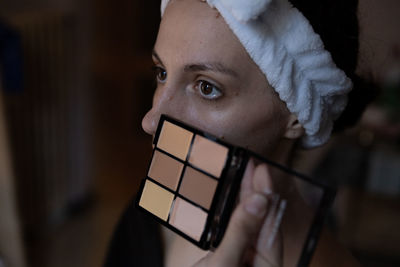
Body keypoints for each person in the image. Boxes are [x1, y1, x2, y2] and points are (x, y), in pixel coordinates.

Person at [105, 0, 373, 266]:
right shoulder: (160, 204)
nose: (150, 121)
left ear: (297, 117)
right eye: (161, 72)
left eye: (207, 88)